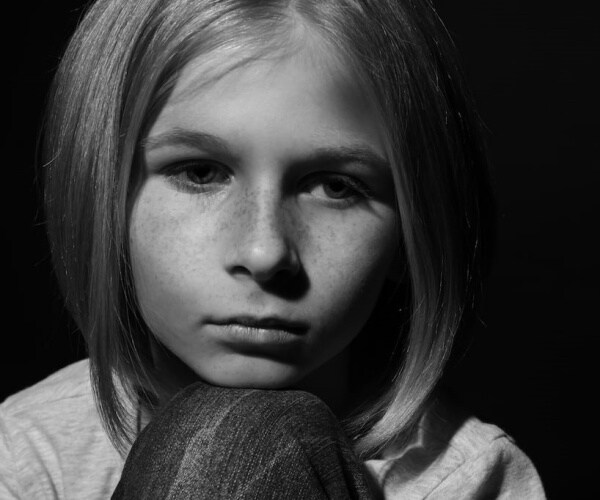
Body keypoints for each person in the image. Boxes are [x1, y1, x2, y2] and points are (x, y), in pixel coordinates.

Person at [0, 0, 546, 498]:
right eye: (200, 173)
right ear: (105, 200)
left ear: (413, 234)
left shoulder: (470, 482)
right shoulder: (24, 460)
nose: (265, 252)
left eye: (336, 186)